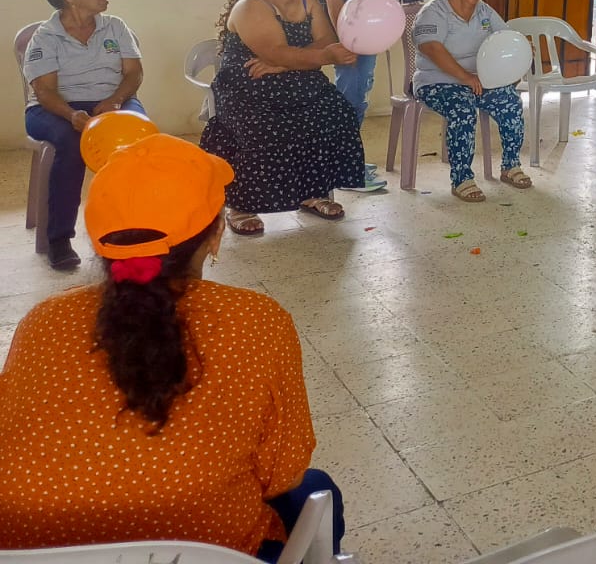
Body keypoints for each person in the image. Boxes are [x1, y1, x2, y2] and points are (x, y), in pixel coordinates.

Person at [0, 133, 343, 559]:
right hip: (211, 550)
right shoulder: (258, 320)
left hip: (26, 549)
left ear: (101, 243)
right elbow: (282, 474)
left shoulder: (42, 320)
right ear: (216, 235)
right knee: (318, 489)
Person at [201, 0, 365, 235]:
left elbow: (325, 41)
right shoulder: (251, 6)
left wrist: (284, 65)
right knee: (265, 127)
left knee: (334, 112)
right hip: (248, 87)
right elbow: (279, 51)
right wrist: (299, 58)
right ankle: (241, 205)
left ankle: (312, 191)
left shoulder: (309, 3)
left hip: (298, 80)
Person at [20, 0, 145, 271]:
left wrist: (115, 101)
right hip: (53, 108)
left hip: (111, 101)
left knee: (139, 138)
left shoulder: (115, 26)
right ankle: (59, 239)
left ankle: (131, 232)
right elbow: (45, 91)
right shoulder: (45, 37)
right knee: (71, 143)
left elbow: (134, 73)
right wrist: (72, 114)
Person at [412, 0, 531, 202]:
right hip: (436, 82)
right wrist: (465, 77)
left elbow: (505, 37)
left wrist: (520, 50)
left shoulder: (484, 11)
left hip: (477, 81)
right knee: (462, 108)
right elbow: (431, 48)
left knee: (510, 101)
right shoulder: (434, 11)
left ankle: (510, 165)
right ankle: (462, 179)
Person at [320, 0, 401, 193]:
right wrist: (346, 39)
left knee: (359, 96)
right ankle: (345, 171)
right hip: (355, 37)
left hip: (373, 33)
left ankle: (349, 159)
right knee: (350, 100)